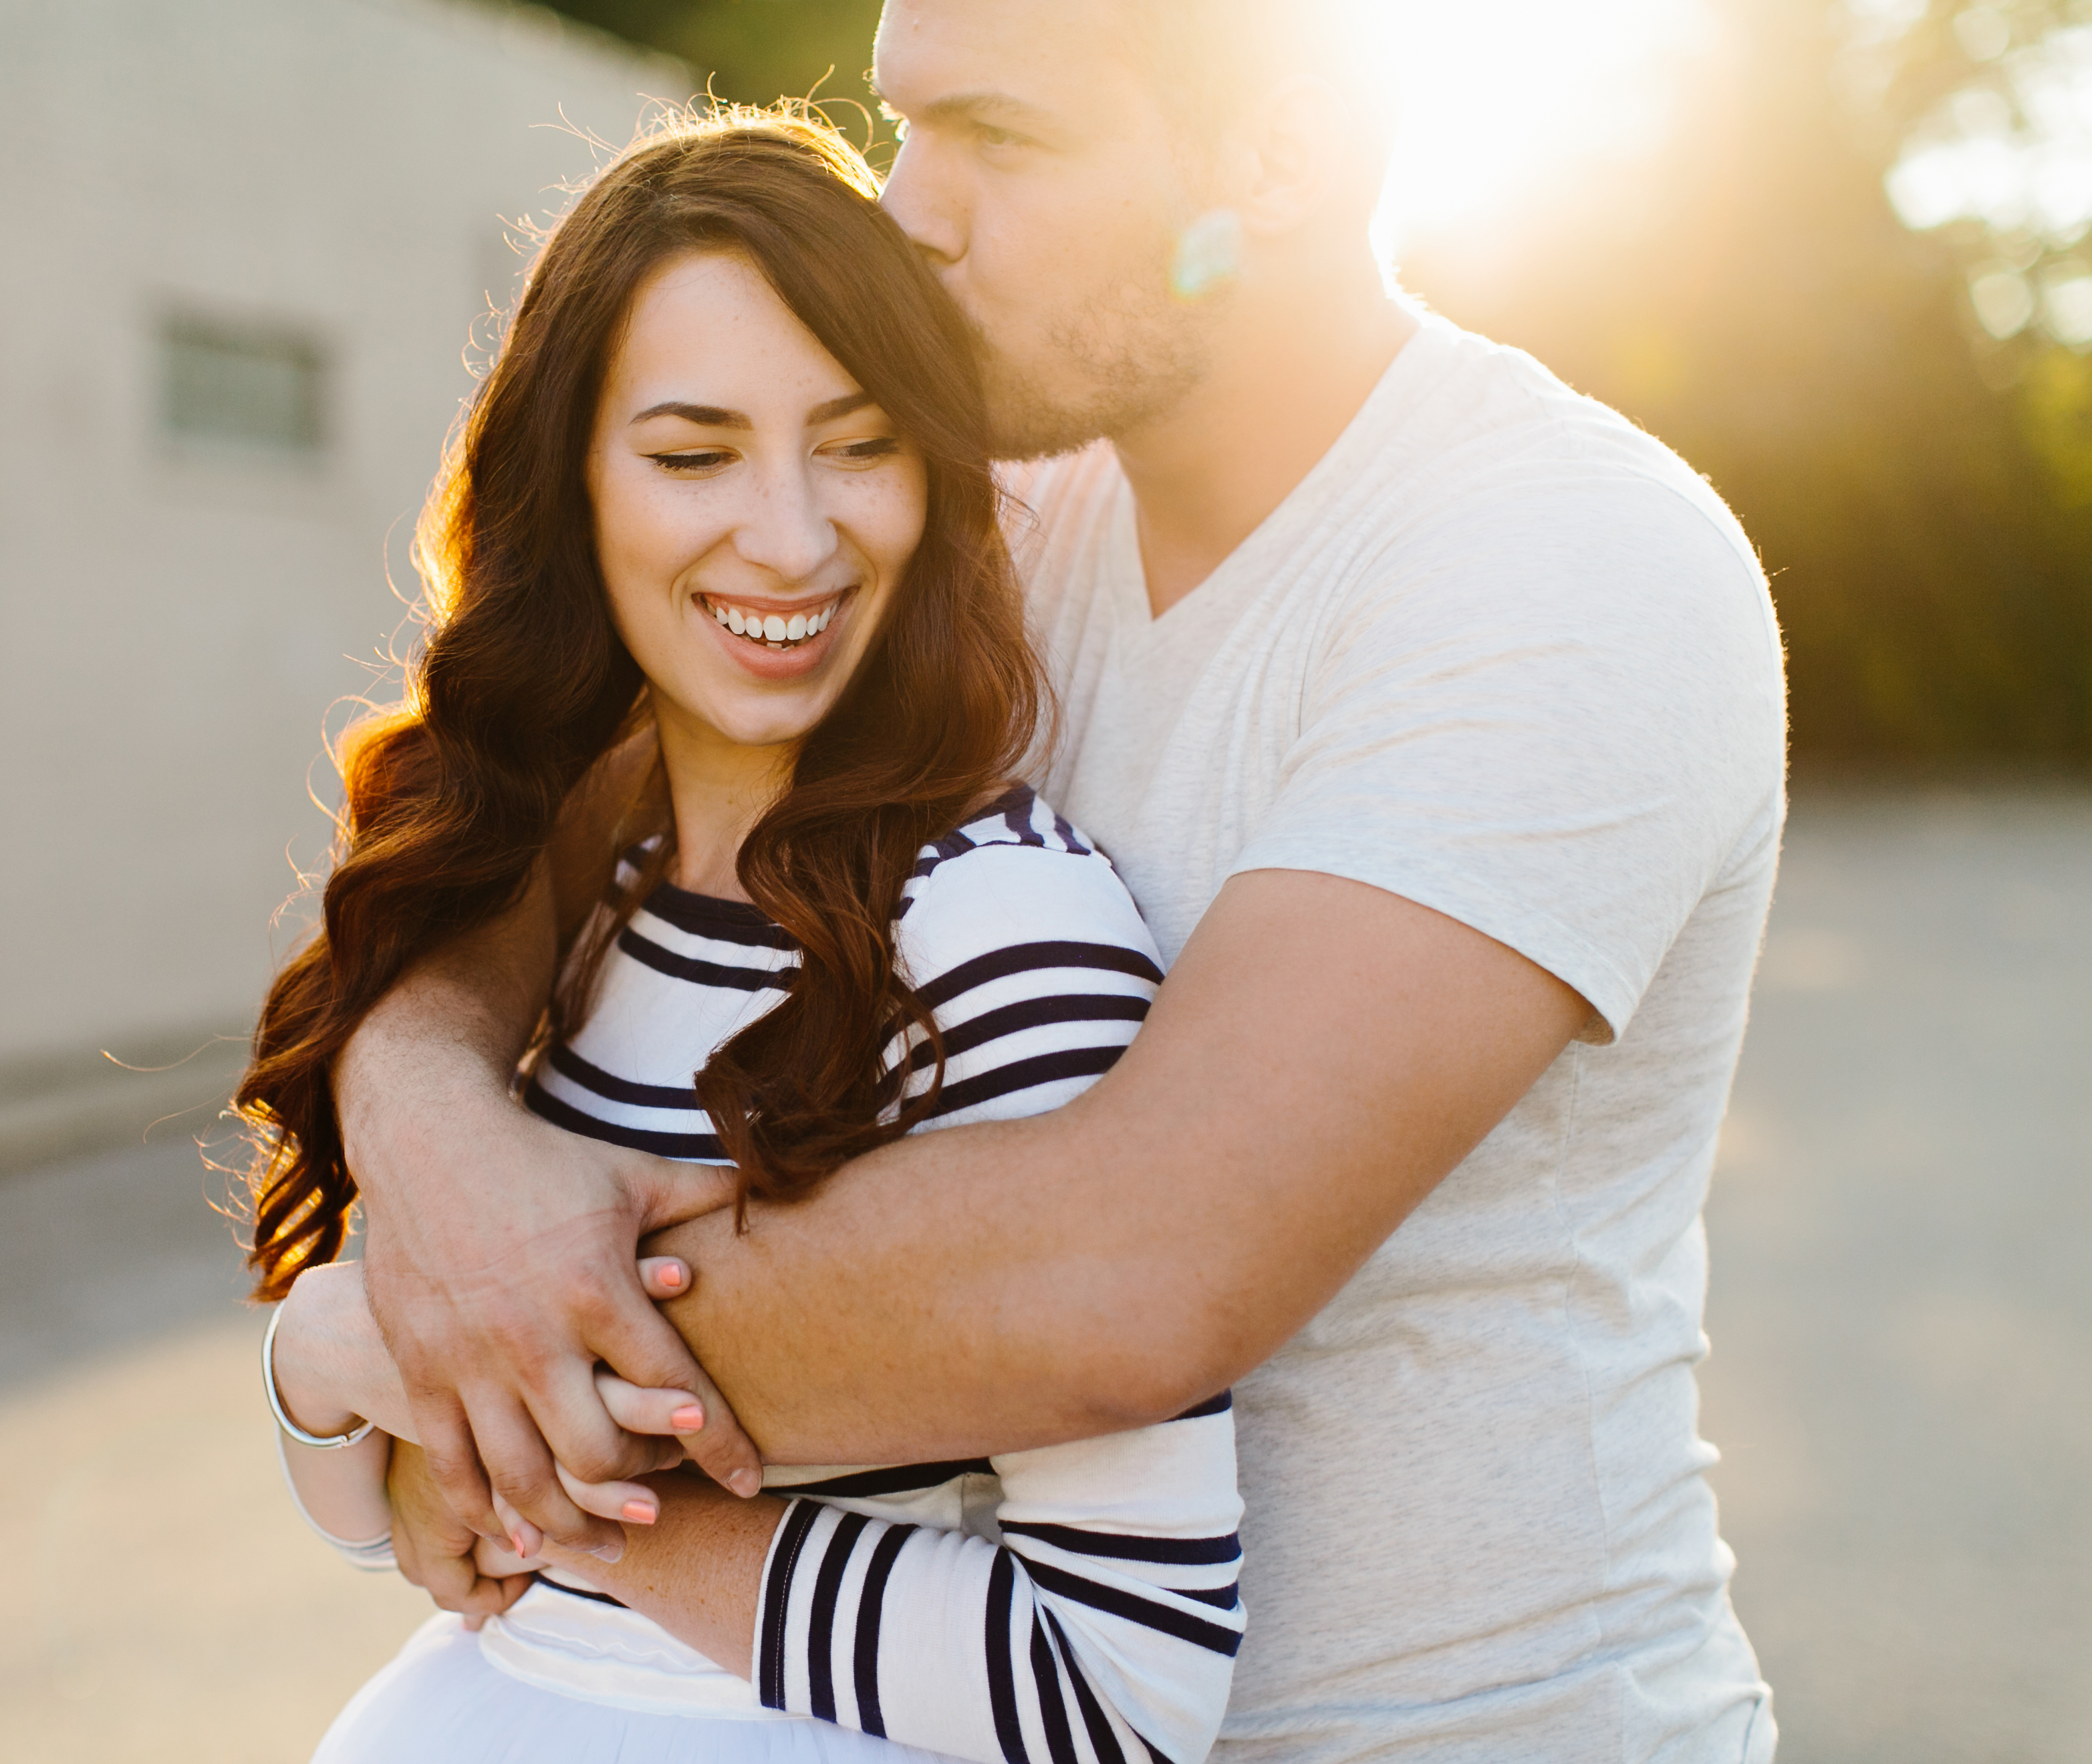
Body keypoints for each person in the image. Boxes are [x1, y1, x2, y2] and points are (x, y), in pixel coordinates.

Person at [276, 0, 1789, 1757]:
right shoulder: (992, 509)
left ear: (1282, 159)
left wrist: (434, 1348)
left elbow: (1132, 1276)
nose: (915, 207)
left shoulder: (1559, 561)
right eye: (910, 124)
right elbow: (541, 846)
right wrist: (438, 1130)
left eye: (1003, 138)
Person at [241, 114, 1245, 1762]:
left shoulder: (1000, 922)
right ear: (568, 487)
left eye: (856, 445)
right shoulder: (585, 900)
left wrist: (569, 1499)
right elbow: (388, 1535)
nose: (790, 538)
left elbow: (1124, 1689)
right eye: (695, 454)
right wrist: (324, 1346)